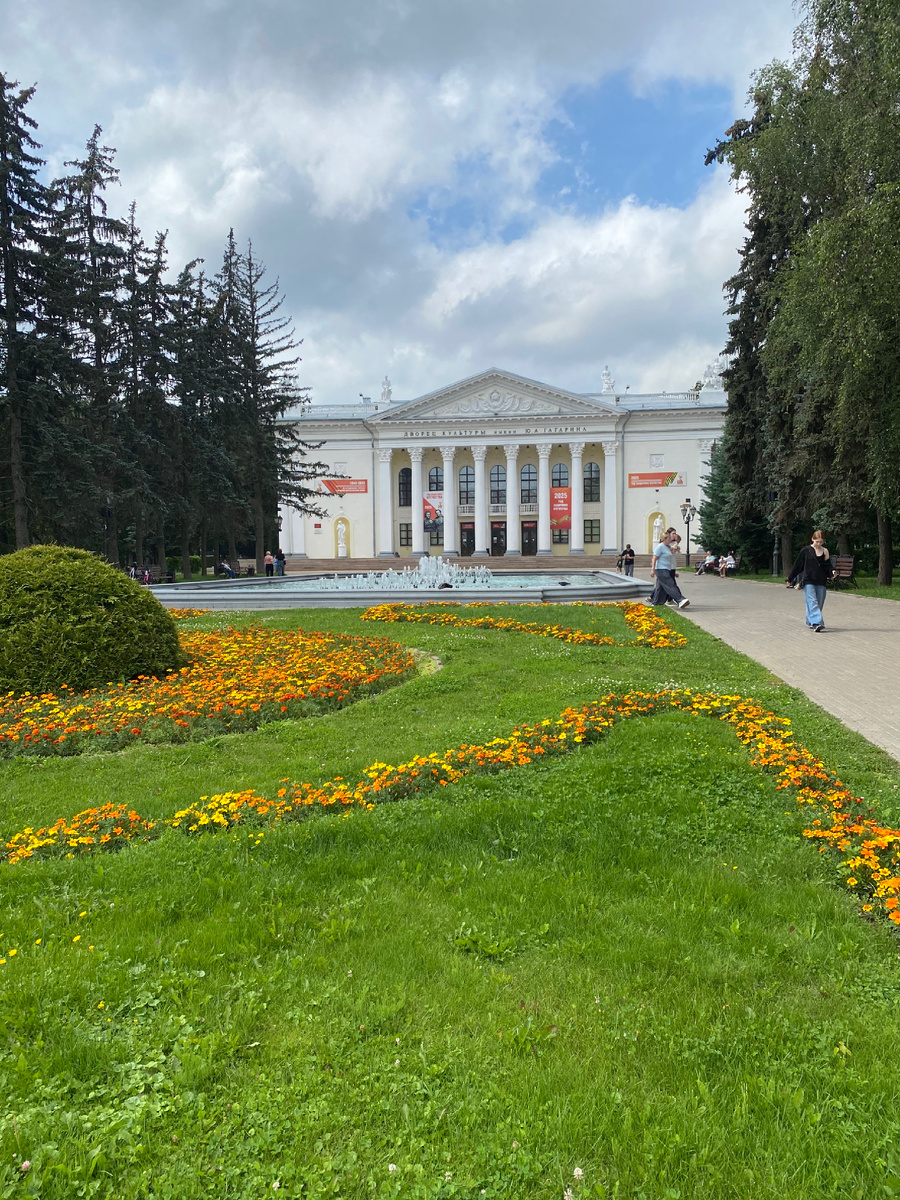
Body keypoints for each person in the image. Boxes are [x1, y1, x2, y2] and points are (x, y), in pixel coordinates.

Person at [787, 529, 834, 632]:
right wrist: (790, 578)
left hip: (821, 580)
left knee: (819, 603)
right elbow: (798, 566)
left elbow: (828, 566)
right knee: (812, 602)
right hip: (808, 580)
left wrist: (832, 572)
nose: (819, 544)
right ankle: (817, 623)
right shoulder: (806, 550)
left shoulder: (825, 551)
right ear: (812, 539)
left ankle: (811, 622)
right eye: (817, 541)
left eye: (821, 542)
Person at [646, 527, 690, 609]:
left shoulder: (666, 547)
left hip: (667, 568)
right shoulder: (660, 546)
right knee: (670, 584)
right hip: (661, 569)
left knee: (661, 588)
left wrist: (675, 551)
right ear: (665, 538)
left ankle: (656, 603)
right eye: (669, 537)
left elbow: (670, 558)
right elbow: (655, 557)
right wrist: (652, 569)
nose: (671, 539)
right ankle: (680, 600)